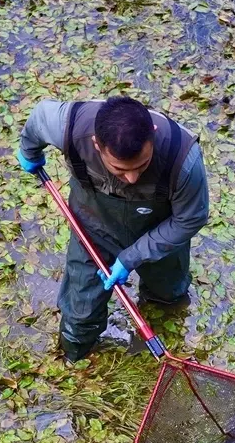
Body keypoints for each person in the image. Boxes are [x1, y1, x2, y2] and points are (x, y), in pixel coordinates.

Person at [17, 96, 211, 362]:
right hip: (93, 227)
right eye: (120, 170)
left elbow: (190, 219)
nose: (132, 178)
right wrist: (30, 152)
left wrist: (131, 257)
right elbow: (39, 117)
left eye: (141, 166)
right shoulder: (69, 125)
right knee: (79, 313)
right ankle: (75, 359)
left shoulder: (183, 158)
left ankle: (163, 331)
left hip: (159, 229)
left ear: (152, 135)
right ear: (97, 144)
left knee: (169, 295)